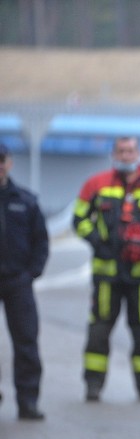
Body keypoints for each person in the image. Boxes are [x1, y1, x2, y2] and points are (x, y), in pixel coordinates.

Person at [72, 136, 140, 402]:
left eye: (131, 151)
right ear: (114, 154)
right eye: (122, 151)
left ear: (139, 155)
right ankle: (93, 384)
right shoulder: (96, 184)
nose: (126, 156)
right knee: (99, 330)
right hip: (106, 274)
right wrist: (97, 242)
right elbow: (78, 220)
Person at [0, 143, 49, 420]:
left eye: (1, 160)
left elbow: (41, 241)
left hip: (18, 281)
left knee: (26, 342)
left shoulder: (26, 201)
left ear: (9, 163)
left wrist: (32, 273)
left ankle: (28, 401)